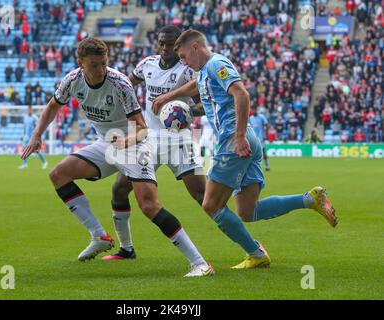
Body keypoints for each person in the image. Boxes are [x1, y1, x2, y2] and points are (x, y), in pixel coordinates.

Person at [21, 37, 214, 277]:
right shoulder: (72, 80)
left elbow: (142, 128)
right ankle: (98, 235)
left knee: (149, 205)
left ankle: (200, 264)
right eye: (94, 65)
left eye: (104, 63)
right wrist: (36, 135)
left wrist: (125, 142)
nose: (101, 70)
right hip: (107, 142)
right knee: (59, 174)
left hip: (134, 144)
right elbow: (52, 106)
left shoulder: (119, 83)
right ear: (80, 63)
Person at [152, 30, 338, 269]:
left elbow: (241, 93)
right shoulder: (204, 73)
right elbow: (193, 88)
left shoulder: (216, 64)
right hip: (246, 139)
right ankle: (309, 199)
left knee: (210, 205)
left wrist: (238, 137)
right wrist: (171, 97)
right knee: (249, 211)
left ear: (196, 47)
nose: (184, 62)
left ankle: (256, 253)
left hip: (233, 140)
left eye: (185, 56)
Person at [102, 25, 206, 261]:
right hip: (147, 137)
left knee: (204, 198)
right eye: (161, 43)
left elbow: (204, 105)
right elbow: (125, 85)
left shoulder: (188, 70)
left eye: (170, 44)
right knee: (119, 188)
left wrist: (186, 110)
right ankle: (126, 249)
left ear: (179, 45)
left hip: (180, 138)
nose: (165, 48)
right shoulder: (147, 64)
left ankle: (250, 246)